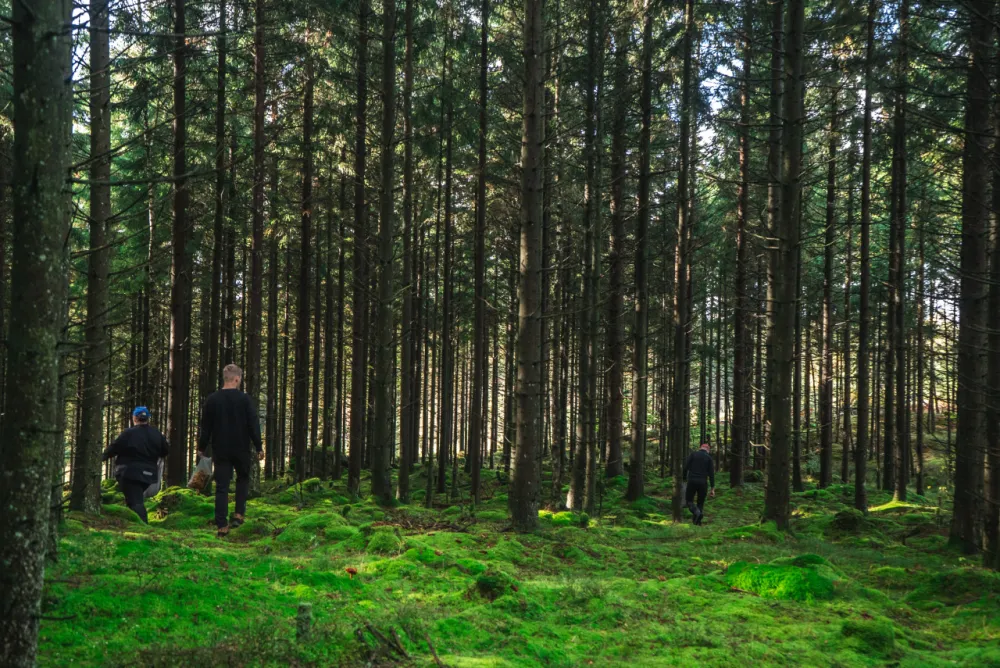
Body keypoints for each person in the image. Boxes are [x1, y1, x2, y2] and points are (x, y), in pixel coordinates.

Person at [198, 364, 263, 537]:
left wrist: (201, 447)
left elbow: (206, 427)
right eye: (240, 378)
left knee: (222, 486)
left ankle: (222, 525)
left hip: (221, 449)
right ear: (236, 379)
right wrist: (259, 446)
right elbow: (253, 425)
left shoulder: (212, 400)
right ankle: (238, 514)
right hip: (241, 448)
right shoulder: (245, 400)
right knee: (242, 479)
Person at [101, 406, 169, 523]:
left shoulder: (129, 433)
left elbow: (114, 448)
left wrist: (101, 458)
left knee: (136, 501)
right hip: (149, 475)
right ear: (148, 418)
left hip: (130, 473)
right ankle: (132, 523)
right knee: (133, 499)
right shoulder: (157, 434)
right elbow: (166, 451)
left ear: (135, 418)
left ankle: (143, 526)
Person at [682, 442, 715, 525]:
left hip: (692, 481)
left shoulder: (693, 455)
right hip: (703, 483)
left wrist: (684, 478)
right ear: (708, 450)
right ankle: (697, 522)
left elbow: (685, 467)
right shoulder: (709, 458)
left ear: (700, 447)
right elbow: (711, 474)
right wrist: (712, 488)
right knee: (700, 502)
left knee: (689, 501)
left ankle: (696, 513)